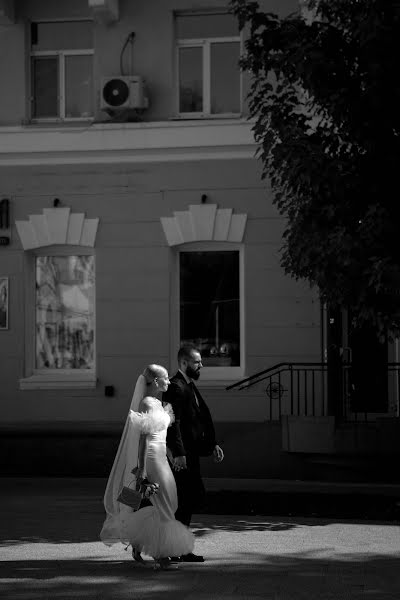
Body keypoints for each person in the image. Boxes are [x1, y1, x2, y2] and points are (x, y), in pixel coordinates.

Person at [100, 364, 194, 569]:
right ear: (156, 381)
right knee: (163, 504)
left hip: (161, 458)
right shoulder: (146, 403)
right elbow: (143, 439)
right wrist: (141, 469)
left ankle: (138, 542)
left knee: (168, 501)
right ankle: (161, 556)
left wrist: (171, 456)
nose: (169, 381)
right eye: (166, 378)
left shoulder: (159, 404)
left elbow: (162, 436)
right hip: (150, 459)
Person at [164, 344, 224, 562]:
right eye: (197, 362)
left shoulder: (189, 385)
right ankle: (175, 548)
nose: (201, 365)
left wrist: (212, 444)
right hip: (182, 457)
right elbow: (174, 423)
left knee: (189, 501)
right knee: (183, 501)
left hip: (192, 454)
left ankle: (181, 548)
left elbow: (199, 419)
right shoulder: (176, 386)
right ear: (184, 363)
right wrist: (179, 453)